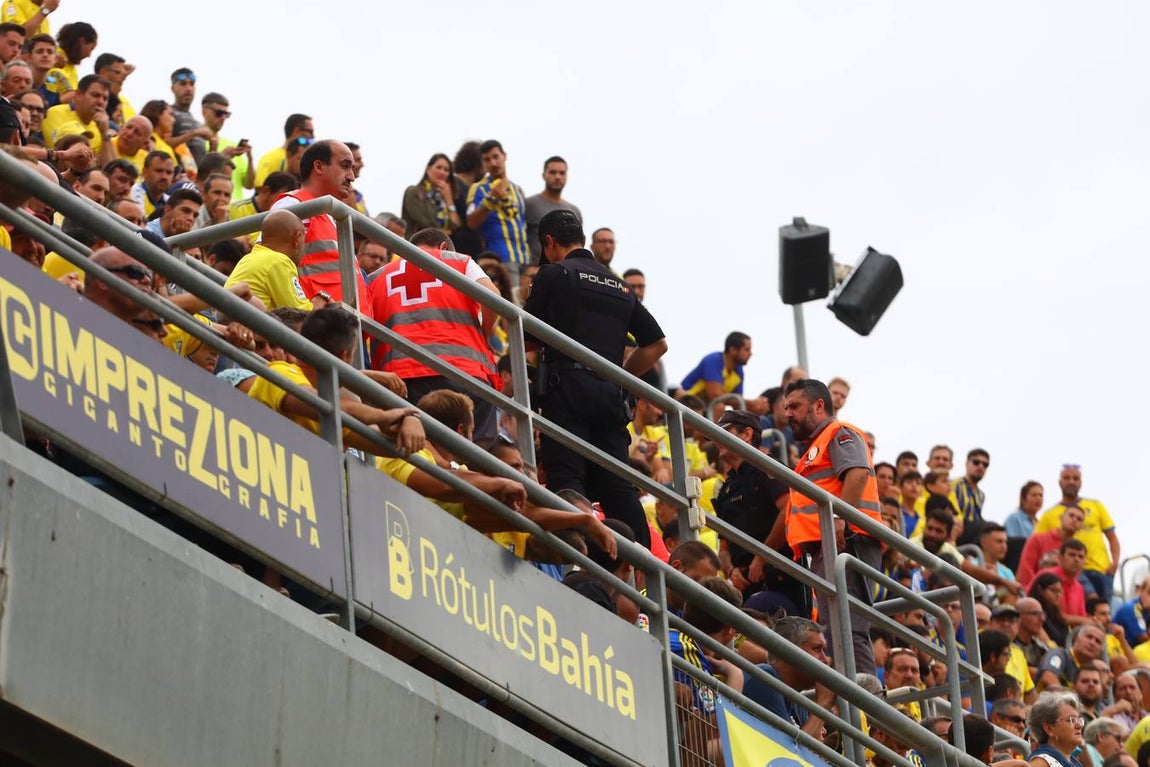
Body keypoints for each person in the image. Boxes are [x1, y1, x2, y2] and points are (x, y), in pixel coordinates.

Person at [523, 209, 666, 550]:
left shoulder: (553, 273)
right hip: (608, 396)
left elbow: (524, 337)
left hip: (566, 390)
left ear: (549, 242)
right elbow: (657, 344)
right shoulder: (619, 284)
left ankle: (578, 562)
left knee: (568, 479)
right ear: (584, 241)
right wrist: (618, 378)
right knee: (617, 486)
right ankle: (644, 574)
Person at [783, 377, 882, 674]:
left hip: (846, 541)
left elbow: (857, 473)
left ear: (819, 405)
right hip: (828, 546)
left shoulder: (839, 432)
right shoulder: (814, 447)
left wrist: (840, 519)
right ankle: (857, 703)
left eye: (795, 406)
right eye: (786, 407)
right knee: (837, 629)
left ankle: (867, 707)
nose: (788, 413)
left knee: (847, 629)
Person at [367, 227, 501, 441]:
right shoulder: (459, 261)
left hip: (399, 378)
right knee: (473, 451)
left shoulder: (377, 277)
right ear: (444, 247)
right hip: (464, 372)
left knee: (417, 450)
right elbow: (494, 298)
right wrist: (485, 336)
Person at [710, 410, 802, 613]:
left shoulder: (766, 466)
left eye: (725, 431)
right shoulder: (726, 489)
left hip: (781, 582)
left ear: (747, 434)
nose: (717, 439)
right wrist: (731, 570)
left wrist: (761, 558)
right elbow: (723, 547)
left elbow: (789, 509)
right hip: (744, 587)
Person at [271, 140, 371, 317]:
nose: (351, 177)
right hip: (317, 325)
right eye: (345, 166)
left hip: (343, 327)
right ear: (318, 166)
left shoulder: (330, 217)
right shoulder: (294, 203)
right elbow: (270, 262)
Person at [1034, 464, 1120, 604]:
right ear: (1060, 482)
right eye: (1067, 478)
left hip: (1102, 570)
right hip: (1072, 572)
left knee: (1103, 612)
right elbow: (1037, 543)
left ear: (1080, 482)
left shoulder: (1096, 505)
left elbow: (1112, 538)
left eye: (1075, 478)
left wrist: (1115, 563)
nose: (1071, 481)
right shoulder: (1049, 515)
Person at [741, 616, 837, 739]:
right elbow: (787, 754)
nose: (825, 659)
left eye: (824, 650)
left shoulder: (796, 700)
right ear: (789, 651)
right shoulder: (763, 678)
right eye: (817, 649)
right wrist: (823, 703)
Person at [223, 210, 315, 311]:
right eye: (304, 240)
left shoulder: (249, 258)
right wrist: (321, 301)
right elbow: (302, 314)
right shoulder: (278, 261)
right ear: (297, 238)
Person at [465, 139, 528, 279]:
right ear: (483, 164)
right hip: (499, 258)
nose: (493, 163)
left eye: (496, 157)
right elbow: (471, 222)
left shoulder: (518, 190)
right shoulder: (479, 188)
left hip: (525, 259)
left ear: (504, 156)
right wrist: (491, 199)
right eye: (487, 160)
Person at [524, 155, 582, 263]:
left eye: (562, 173)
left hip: (567, 271)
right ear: (543, 175)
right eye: (553, 172)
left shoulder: (574, 211)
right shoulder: (529, 204)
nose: (557, 177)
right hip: (535, 268)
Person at [1018, 505, 1086, 587]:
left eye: (1079, 519)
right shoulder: (1037, 539)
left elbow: (1074, 580)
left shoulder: (1078, 552)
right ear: (1061, 517)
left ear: (1082, 526)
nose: (1074, 520)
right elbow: (1025, 571)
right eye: (1071, 515)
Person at [401, 152, 462, 236]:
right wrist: (443, 232)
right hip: (417, 244)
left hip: (439, 245)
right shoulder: (414, 192)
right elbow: (425, 222)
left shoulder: (444, 198)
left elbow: (456, 225)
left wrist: (449, 200)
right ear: (428, 169)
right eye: (439, 168)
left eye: (446, 170)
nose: (442, 172)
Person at [1028, 691, 1086, 767]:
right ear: (1048, 729)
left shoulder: (1074, 763)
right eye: (1071, 720)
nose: (1079, 725)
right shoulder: (1041, 763)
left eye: (1079, 720)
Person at [255, 113, 313, 186]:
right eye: (310, 131)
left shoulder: (309, 158)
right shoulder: (270, 158)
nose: (313, 136)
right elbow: (261, 188)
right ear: (297, 131)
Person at [1005, 480, 1045, 572]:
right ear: (1023, 499)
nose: (1038, 498)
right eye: (1034, 495)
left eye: (1040, 495)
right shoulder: (1014, 518)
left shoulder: (1041, 523)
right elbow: (1014, 545)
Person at [953, 448, 989, 545]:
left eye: (985, 465)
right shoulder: (955, 485)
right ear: (967, 464)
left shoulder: (981, 495)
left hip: (975, 533)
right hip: (958, 528)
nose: (981, 467)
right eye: (976, 462)